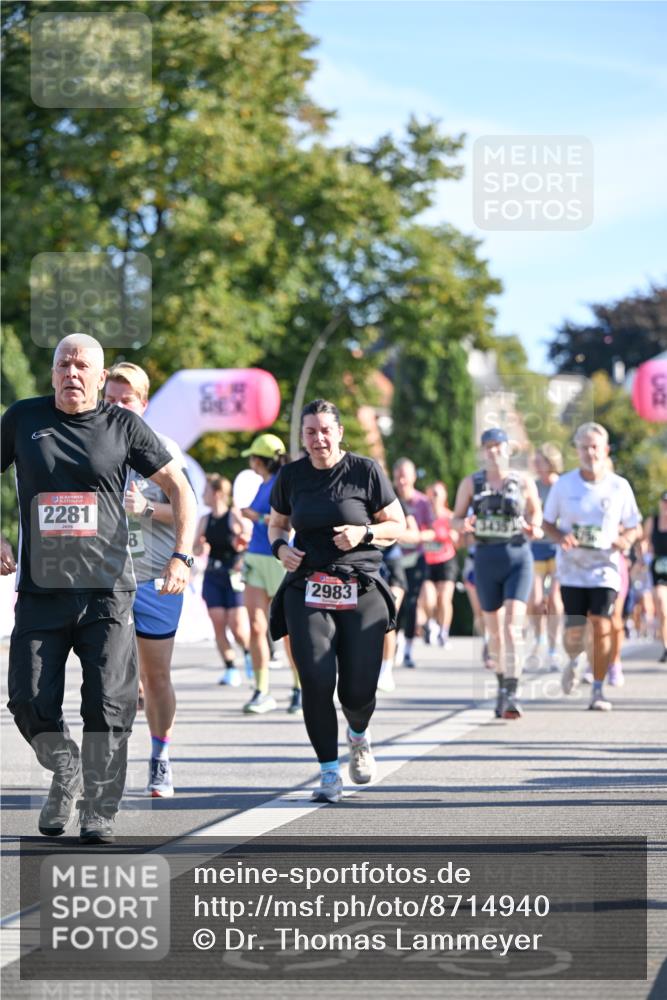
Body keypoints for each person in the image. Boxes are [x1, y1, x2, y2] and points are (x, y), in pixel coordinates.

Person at [1, 335, 196, 842]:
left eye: (82, 365)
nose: (72, 372)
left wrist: (182, 554)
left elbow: (180, 490)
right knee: (27, 700)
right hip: (42, 591)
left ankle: (99, 810)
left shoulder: (123, 425)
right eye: (63, 363)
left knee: (108, 705)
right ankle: (67, 771)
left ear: (98, 375)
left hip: (108, 592)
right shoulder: (22, 419)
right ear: (51, 372)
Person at [268, 399, 406, 803]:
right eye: (310, 431)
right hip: (308, 586)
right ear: (303, 437)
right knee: (314, 679)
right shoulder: (291, 476)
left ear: (340, 432)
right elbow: (276, 524)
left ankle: (359, 736)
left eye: (326, 430)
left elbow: (397, 525)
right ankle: (329, 772)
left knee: (358, 690)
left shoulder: (365, 471)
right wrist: (280, 549)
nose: (318, 438)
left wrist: (363, 533)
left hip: (359, 586)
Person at [103, 362, 194, 799]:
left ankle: (160, 757)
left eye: (127, 400)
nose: (118, 407)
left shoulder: (163, 448)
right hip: (104, 577)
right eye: (111, 399)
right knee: (107, 680)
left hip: (155, 579)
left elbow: (188, 508)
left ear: (143, 403)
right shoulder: (91, 442)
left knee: (155, 678)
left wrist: (144, 509)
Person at [542, 422, 641, 711]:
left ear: (605, 450)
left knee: (602, 626)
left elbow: (634, 526)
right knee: (575, 630)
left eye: (595, 447)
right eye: (584, 447)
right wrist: (562, 536)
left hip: (605, 569)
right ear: (577, 451)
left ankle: (597, 689)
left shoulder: (619, 486)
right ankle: (573, 660)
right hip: (572, 568)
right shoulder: (564, 484)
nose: (590, 452)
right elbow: (547, 523)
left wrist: (625, 539)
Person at [452, 428, 543, 720]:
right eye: (488, 446)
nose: (493, 451)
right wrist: (463, 524)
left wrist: (535, 528)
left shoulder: (523, 481)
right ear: (482, 451)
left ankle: (512, 693)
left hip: (518, 558)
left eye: (498, 446)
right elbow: (455, 519)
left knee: (512, 629)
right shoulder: (471, 482)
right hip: (486, 560)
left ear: (508, 449)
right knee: (494, 632)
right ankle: (502, 685)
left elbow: (537, 515)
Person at [241, 433, 301, 715]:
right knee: (255, 627)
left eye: (253, 457)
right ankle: (261, 690)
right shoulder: (263, 483)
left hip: (278, 559)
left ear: (261, 459)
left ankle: (299, 687)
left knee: (288, 631)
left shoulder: (283, 482)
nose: (251, 463)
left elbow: (289, 522)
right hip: (254, 555)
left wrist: (257, 517)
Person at [194, 474, 252, 688]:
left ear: (217, 493)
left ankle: (248, 653)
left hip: (233, 575)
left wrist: (242, 547)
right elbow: (195, 548)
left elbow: (247, 540)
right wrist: (200, 546)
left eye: (206, 490)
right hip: (213, 575)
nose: (202, 495)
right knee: (218, 623)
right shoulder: (204, 519)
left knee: (236, 626)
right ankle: (230, 668)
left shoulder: (232, 516)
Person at [526, 444, 564, 672]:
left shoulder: (562, 486)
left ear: (551, 462)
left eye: (540, 460)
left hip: (557, 547)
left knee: (555, 599)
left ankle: (553, 647)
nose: (537, 465)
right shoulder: (533, 486)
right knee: (536, 600)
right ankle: (539, 639)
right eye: (536, 461)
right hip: (537, 547)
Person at [392, 458, 432, 667]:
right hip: (393, 559)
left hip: (415, 557)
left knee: (411, 603)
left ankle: (408, 649)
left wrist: (414, 536)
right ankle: (394, 644)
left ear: (413, 477)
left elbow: (433, 530)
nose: (401, 480)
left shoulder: (423, 502)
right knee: (394, 604)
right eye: (398, 475)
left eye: (405, 475)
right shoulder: (387, 498)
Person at [421, 481, 459, 648]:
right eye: (432, 493)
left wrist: (453, 535)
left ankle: (444, 632)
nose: (434, 497)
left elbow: (459, 541)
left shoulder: (449, 517)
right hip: (428, 562)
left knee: (444, 599)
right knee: (429, 599)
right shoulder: (424, 516)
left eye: (437, 494)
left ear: (444, 497)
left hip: (446, 561)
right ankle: (431, 624)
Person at [645, 490, 667, 663]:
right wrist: (641, 557)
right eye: (664, 502)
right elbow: (643, 540)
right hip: (659, 568)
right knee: (662, 606)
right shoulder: (652, 521)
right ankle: (665, 647)